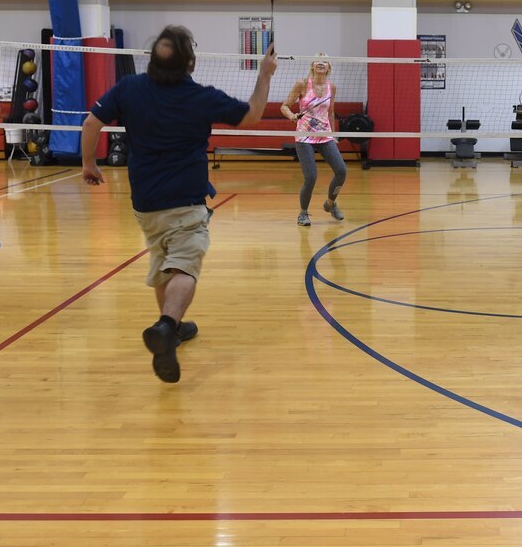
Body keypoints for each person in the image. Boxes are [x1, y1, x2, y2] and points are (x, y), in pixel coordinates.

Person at [81, 26, 277, 383]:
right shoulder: (200, 97)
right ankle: (167, 323)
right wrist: (264, 75)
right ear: (190, 61)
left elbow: (92, 121)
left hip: (145, 202)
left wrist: (89, 164)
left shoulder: (129, 88)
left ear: (152, 57)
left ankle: (172, 332)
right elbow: (252, 114)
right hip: (185, 201)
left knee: (161, 262)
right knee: (185, 265)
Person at [280, 53, 348, 226]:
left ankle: (330, 204)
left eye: (325, 61)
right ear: (312, 65)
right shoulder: (302, 84)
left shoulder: (331, 87)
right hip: (304, 136)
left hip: (324, 135)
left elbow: (330, 111)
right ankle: (303, 213)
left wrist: (333, 134)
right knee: (311, 177)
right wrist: (292, 116)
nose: (321, 63)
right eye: (318, 60)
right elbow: (284, 106)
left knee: (341, 171)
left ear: (328, 68)